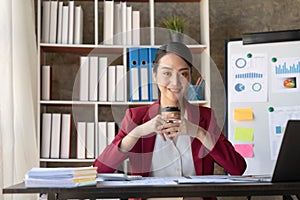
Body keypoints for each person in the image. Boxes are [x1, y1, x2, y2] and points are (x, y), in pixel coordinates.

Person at [93, 42, 246, 199]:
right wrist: (137, 132)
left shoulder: (205, 117)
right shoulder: (136, 118)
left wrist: (199, 132)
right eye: (167, 73)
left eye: (183, 74)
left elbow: (237, 168)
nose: (175, 82)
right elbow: (100, 170)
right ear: (154, 75)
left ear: (190, 77)